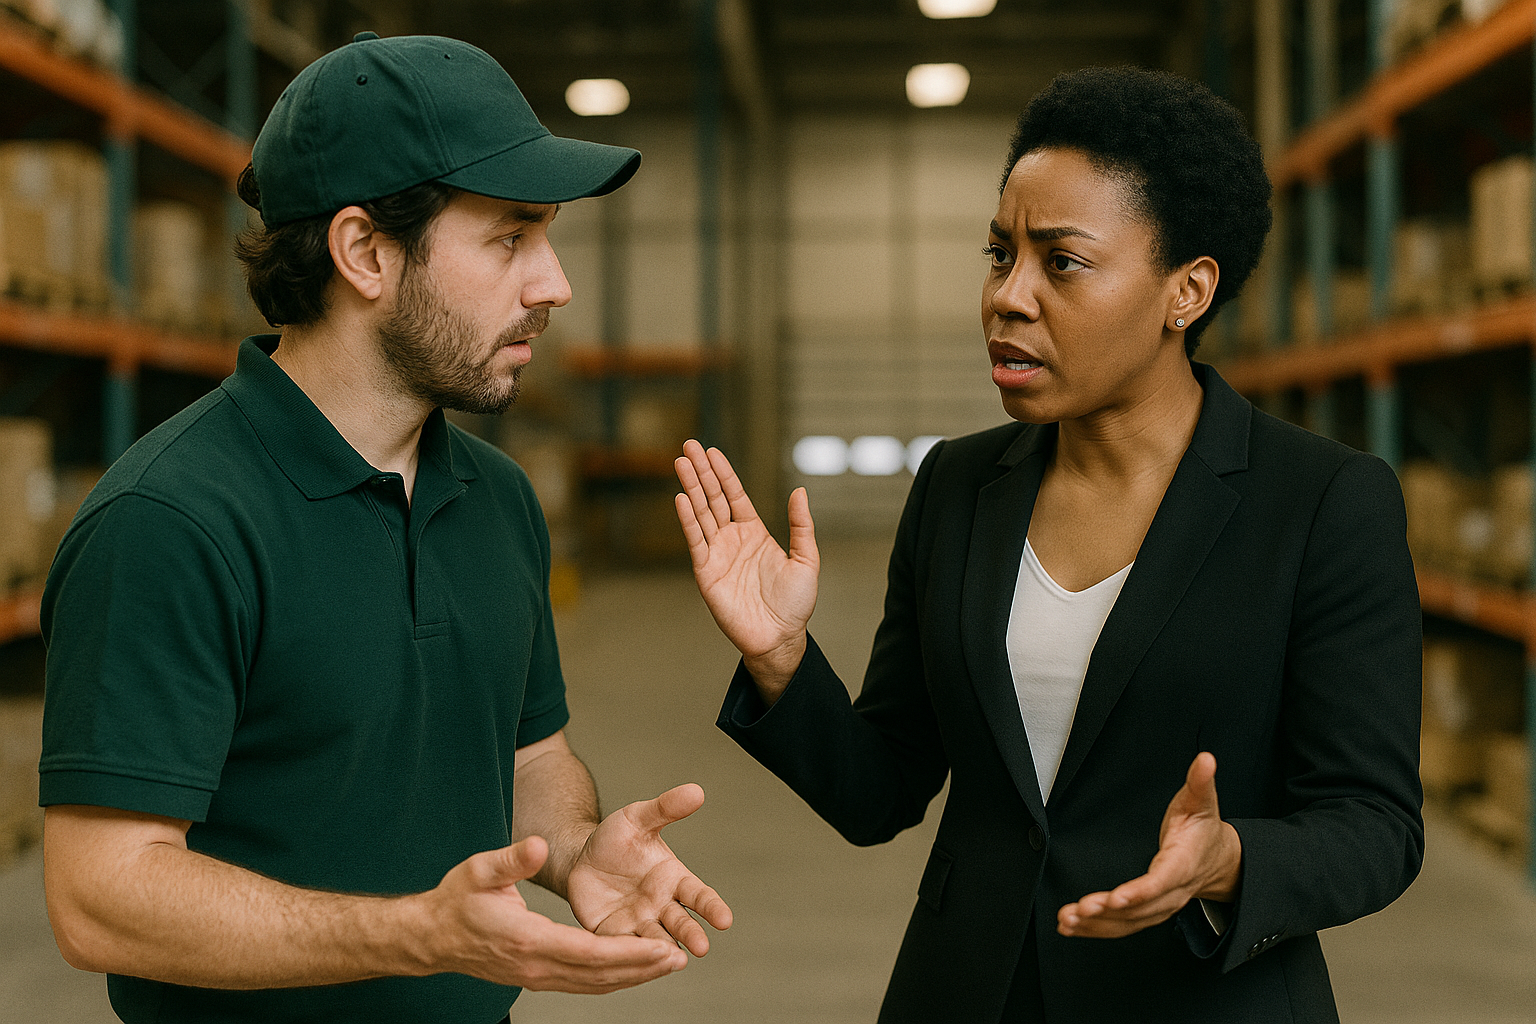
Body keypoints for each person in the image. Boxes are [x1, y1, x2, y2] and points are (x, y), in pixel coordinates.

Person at [674, 66, 1422, 1022]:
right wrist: (781, 659)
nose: (1008, 297)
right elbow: (882, 790)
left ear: (1185, 291)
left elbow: (1375, 824)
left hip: (1197, 999)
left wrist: (1232, 862)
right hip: (967, 996)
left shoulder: (1322, 504)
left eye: (1061, 261)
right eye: (999, 255)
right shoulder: (957, 485)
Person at [39, 31, 731, 1024]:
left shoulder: (496, 498)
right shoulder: (171, 522)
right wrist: (415, 932)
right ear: (364, 251)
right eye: (509, 237)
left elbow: (530, 757)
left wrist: (577, 845)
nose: (554, 285)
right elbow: (101, 898)